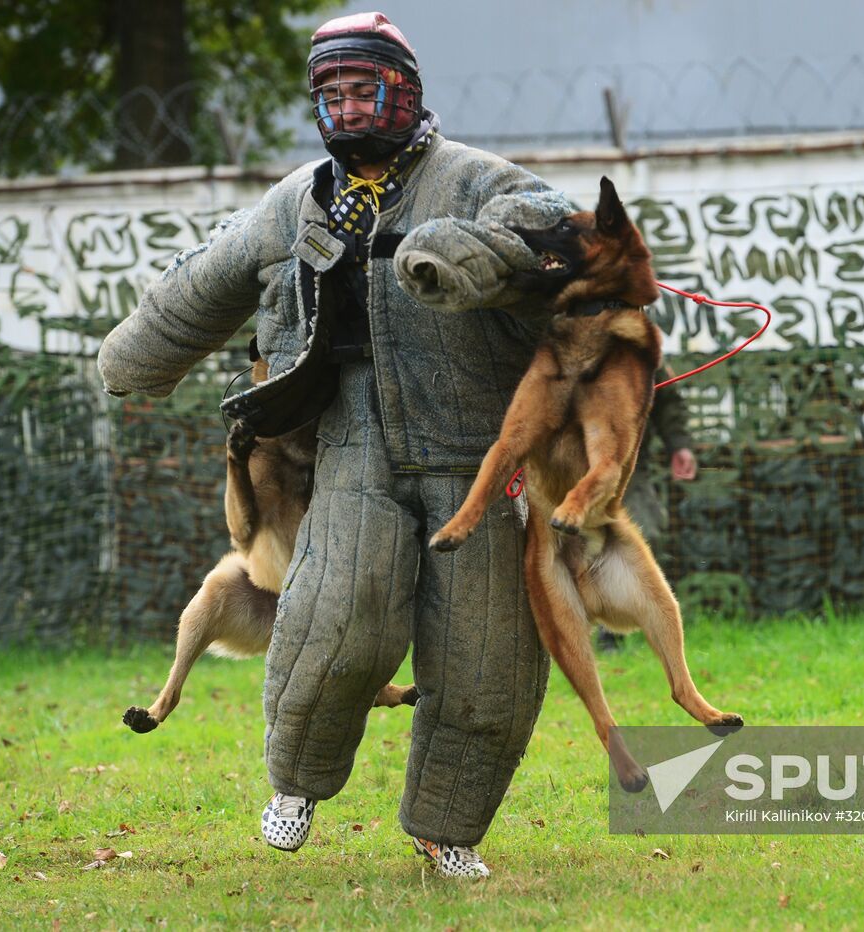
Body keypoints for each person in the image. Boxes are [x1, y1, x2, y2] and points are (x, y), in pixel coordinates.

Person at [98, 12, 573, 879]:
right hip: (351, 450)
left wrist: (468, 252)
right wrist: (133, 360)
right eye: (334, 95)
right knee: (332, 620)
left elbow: (559, 231)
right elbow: (206, 280)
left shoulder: (476, 178)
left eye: (366, 91)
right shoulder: (298, 201)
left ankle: (447, 831)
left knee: (486, 655)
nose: (350, 109)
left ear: (406, 91)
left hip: (479, 457)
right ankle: (297, 785)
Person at [597, 364, 698, 652]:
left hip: (629, 467)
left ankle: (612, 632)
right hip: (572, 464)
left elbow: (667, 401)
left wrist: (679, 445)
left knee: (644, 530)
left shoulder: (643, 354)